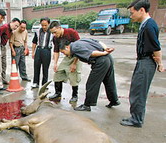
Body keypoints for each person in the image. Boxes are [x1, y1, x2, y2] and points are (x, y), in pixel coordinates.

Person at [120, 0, 165, 128]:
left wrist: (160, 63)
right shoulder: (145, 24)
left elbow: (156, 47)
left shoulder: (149, 25)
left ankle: (136, 120)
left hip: (146, 62)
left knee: (139, 91)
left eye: (132, 13)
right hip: (143, 61)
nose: (131, 15)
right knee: (136, 89)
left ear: (141, 10)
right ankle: (135, 117)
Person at [59, 38, 120, 112]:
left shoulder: (75, 48)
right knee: (109, 81)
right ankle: (114, 100)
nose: (64, 54)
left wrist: (104, 53)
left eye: (63, 52)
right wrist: (106, 48)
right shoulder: (80, 41)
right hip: (108, 59)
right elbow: (99, 41)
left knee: (91, 83)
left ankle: (87, 105)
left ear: (67, 47)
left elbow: (91, 53)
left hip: (101, 61)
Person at [49, 21, 82, 103]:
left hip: (76, 56)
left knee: (73, 75)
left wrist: (74, 64)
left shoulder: (71, 33)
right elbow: (56, 51)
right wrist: (55, 64)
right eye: (52, 33)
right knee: (58, 73)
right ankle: (58, 93)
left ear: (60, 28)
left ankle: (75, 95)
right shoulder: (55, 38)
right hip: (67, 57)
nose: (54, 34)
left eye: (55, 32)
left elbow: (80, 48)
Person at [31, 17, 53, 89]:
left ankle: (44, 84)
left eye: (45, 25)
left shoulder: (52, 32)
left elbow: (56, 43)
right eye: (42, 25)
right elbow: (34, 42)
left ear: (49, 24)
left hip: (47, 50)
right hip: (39, 49)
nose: (44, 27)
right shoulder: (37, 31)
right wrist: (33, 52)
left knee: (45, 68)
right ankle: (35, 83)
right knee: (36, 67)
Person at [0, 18, 20, 85]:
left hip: (3, 47)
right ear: (12, 22)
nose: (16, 27)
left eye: (17, 26)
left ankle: (3, 79)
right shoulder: (5, 27)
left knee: (4, 64)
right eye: (15, 25)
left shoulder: (10, 31)